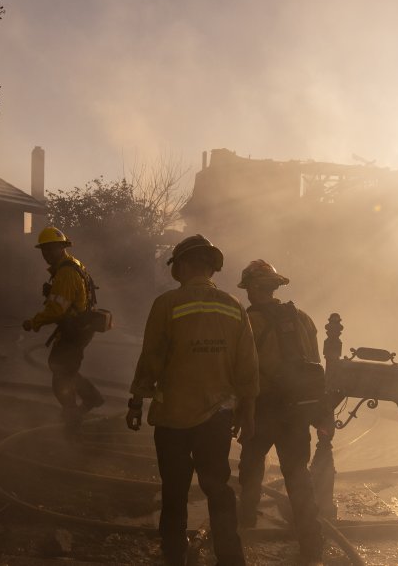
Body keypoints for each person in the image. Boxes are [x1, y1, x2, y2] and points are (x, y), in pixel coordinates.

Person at [126, 234, 258, 566]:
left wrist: (136, 400)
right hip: (218, 415)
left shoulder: (167, 304)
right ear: (212, 266)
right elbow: (248, 367)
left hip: (173, 416)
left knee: (174, 487)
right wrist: (248, 411)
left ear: (182, 266)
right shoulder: (234, 307)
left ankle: (174, 553)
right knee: (218, 486)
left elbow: (151, 358)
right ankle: (230, 556)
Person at [234, 259, 327, 563]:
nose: (248, 294)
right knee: (298, 475)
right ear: (274, 288)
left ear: (252, 289)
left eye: (248, 288)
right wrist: (320, 414)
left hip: (261, 409)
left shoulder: (247, 321)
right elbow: (316, 367)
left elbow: (243, 372)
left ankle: (245, 523)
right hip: (297, 412)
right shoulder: (303, 319)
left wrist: (238, 413)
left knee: (250, 467)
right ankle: (311, 542)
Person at [23, 226, 104, 425]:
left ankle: (72, 415)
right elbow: (70, 297)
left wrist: (34, 322)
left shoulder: (66, 272)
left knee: (60, 374)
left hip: (75, 330)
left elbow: (57, 309)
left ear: (62, 247)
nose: (46, 254)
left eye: (51, 249)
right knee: (63, 369)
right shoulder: (72, 265)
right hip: (79, 328)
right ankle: (91, 399)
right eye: (44, 250)